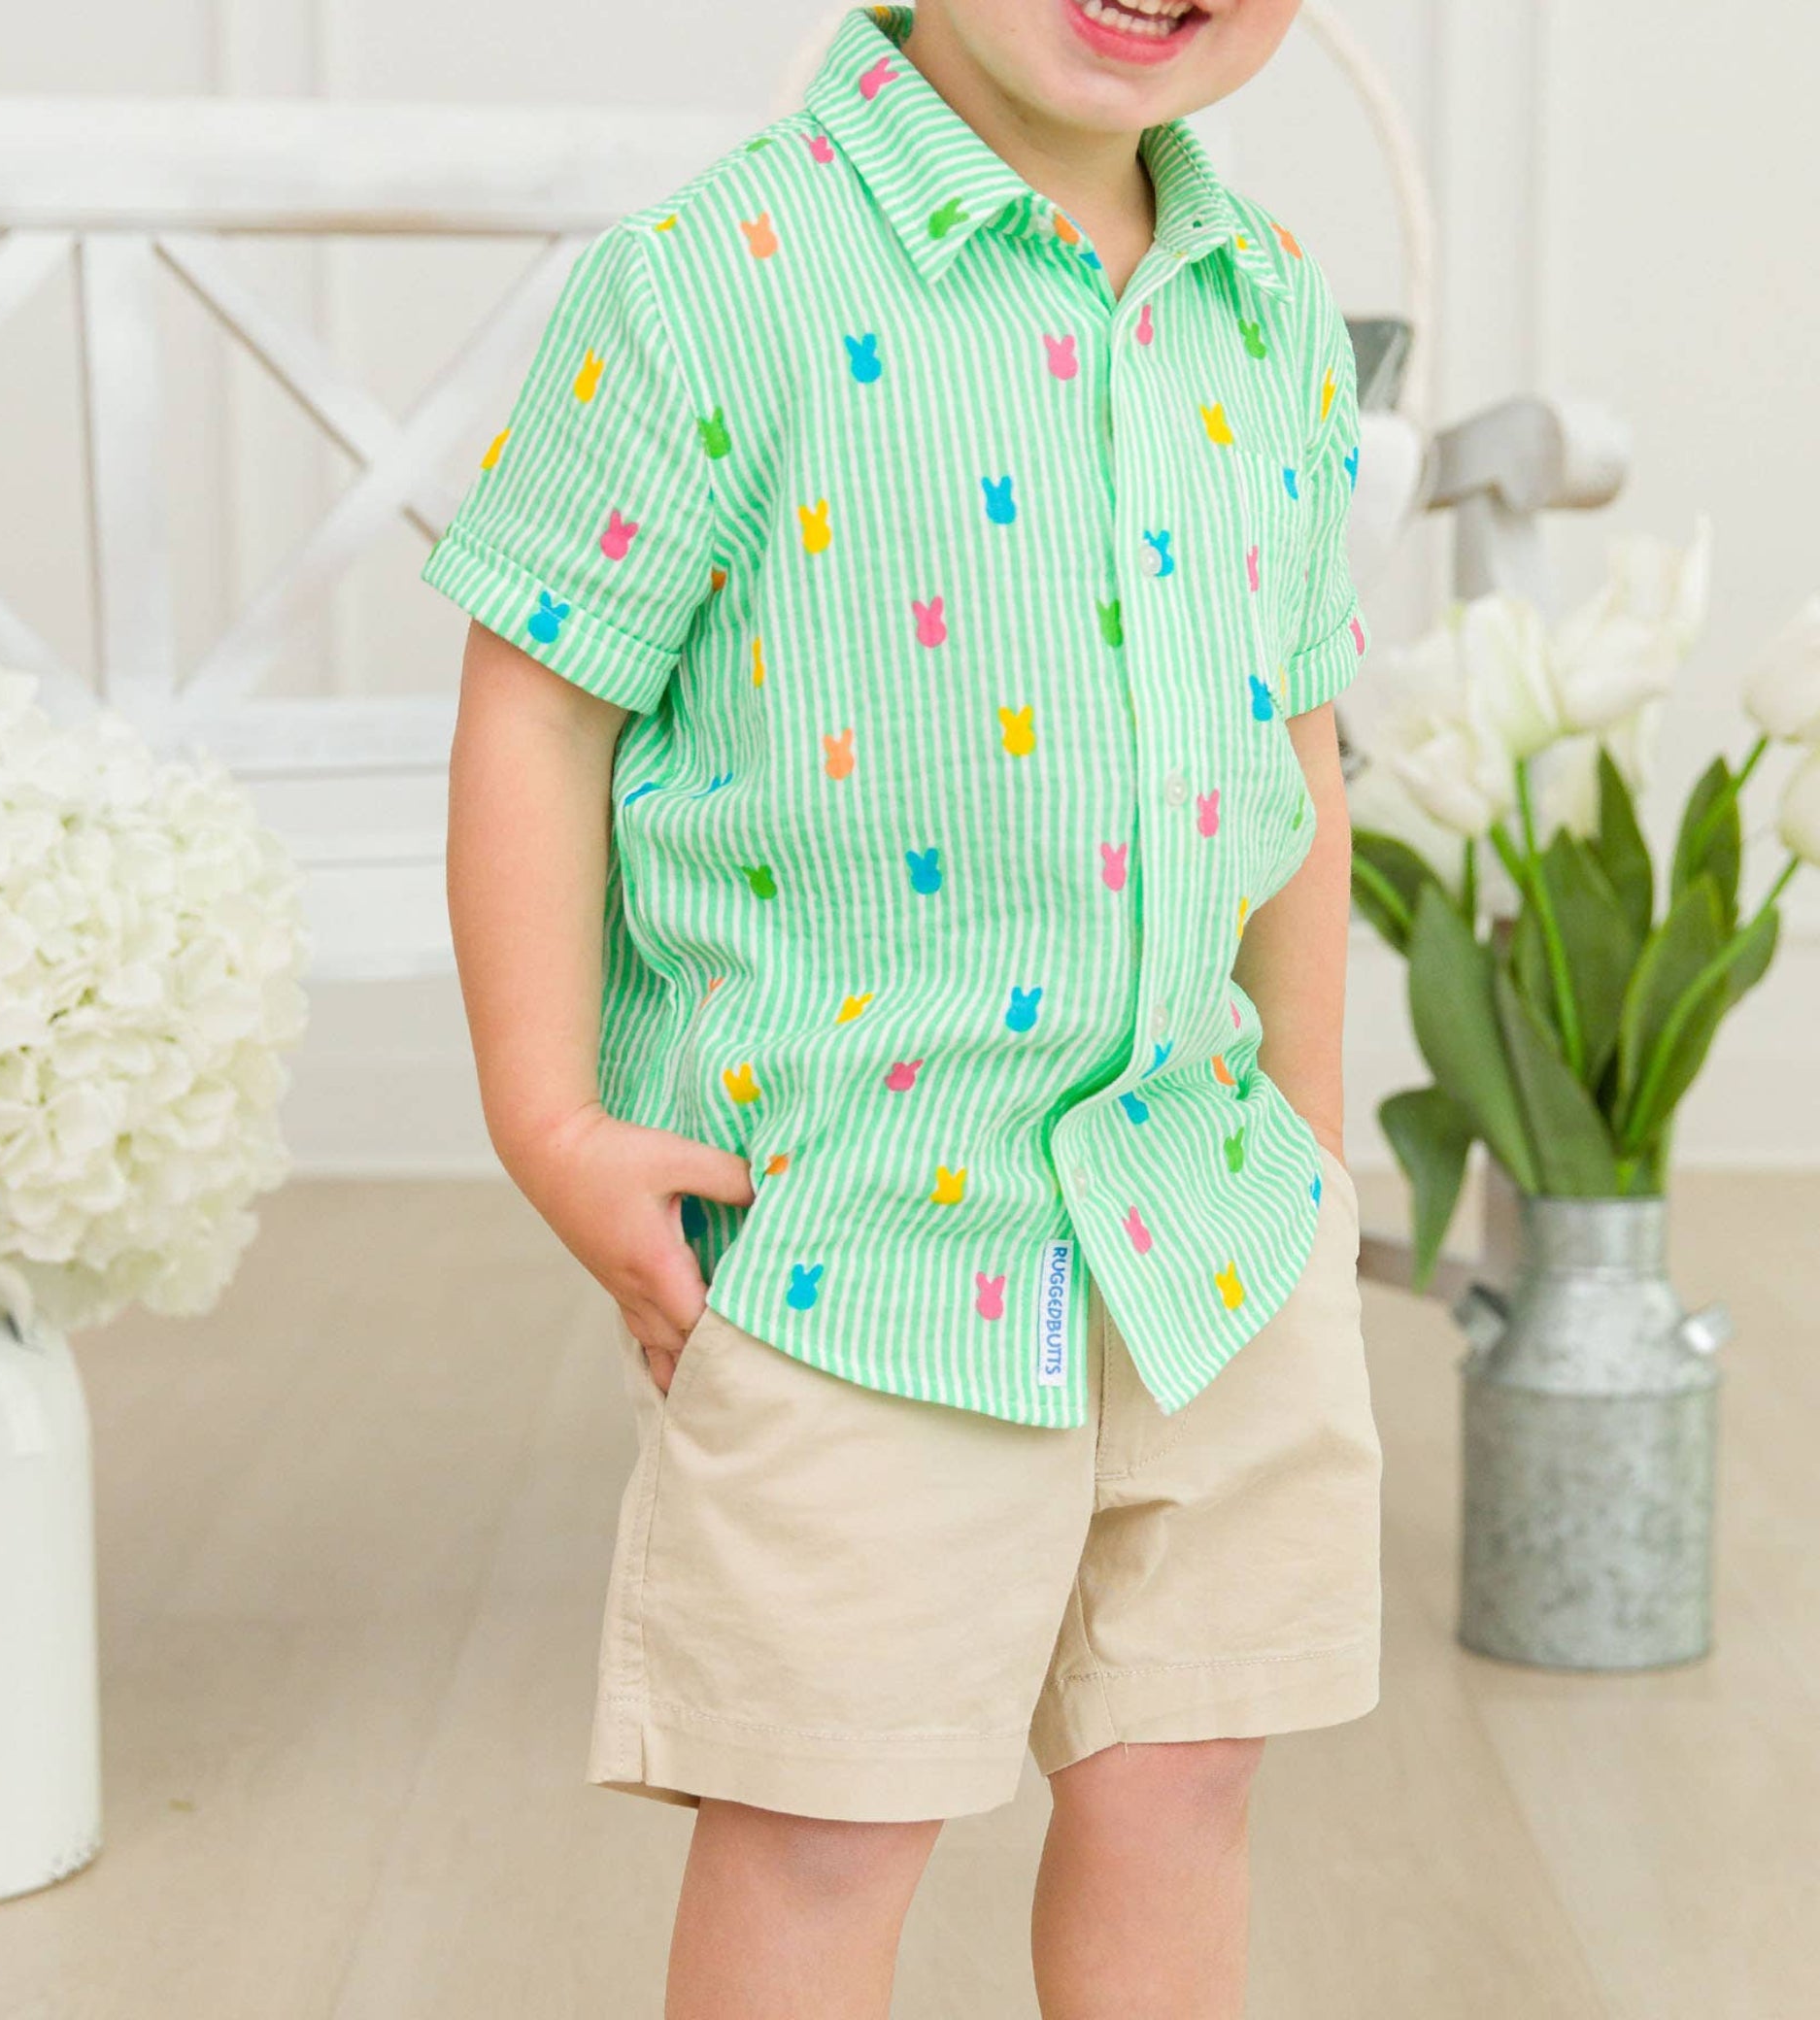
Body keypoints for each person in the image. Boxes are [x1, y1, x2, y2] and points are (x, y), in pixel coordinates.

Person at [425, 1, 1381, 2011]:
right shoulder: (714, 283)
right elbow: (538, 699)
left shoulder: (1268, 303)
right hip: (852, 1224)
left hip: (1204, 1221)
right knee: (824, 1815)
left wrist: (1303, 1114)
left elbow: (1291, 731)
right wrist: (548, 1116)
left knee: (1185, 1762)